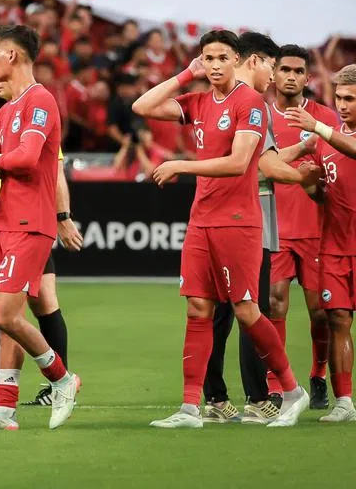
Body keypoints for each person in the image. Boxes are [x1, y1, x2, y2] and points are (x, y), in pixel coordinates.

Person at [132, 28, 309, 429]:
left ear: (237, 61)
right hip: (202, 220)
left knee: (247, 310)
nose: (213, 66)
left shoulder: (251, 102)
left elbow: (238, 162)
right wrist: (183, 75)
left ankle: (291, 390)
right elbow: (142, 106)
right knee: (197, 308)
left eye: (221, 58)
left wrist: (181, 164)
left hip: (238, 222)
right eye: (207, 59)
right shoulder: (198, 101)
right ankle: (191, 407)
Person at [0, 24, 81, 432]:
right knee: (4, 312)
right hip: (5, 224)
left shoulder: (41, 101)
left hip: (31, 224)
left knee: (5, 314)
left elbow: (24, 158)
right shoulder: (7, 111)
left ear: (13, 55)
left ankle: (62, 378)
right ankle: (5, 410)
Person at [200, 33, 323, 425]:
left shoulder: (226, 101)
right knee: (248, 309)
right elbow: (264, 167)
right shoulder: (251, 105)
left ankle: (216, 398)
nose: (275, 75)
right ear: (255, 61)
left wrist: (298, 155)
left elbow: (261, 159)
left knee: (215, 312)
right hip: (247, 224)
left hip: (220, 220)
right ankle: (260, 396)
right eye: (273, 65)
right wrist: (302, 177)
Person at [285, 65, 356, 423]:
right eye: (337, 97)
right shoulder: (324, 141)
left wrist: (317, 128)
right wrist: (304, 181)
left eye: (350, 98)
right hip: (333, 247)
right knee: (337, 320)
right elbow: (323, 194)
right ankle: (344, 402)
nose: (342, 104)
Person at [0, 159, 82, 409]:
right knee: (40, 302)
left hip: (25, 224)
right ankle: (18, 394)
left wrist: (63, 217)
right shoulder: (11, 125)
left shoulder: (38, 125)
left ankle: (54, 380)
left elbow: (55, 172)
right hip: (12, 223)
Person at [266, 44, 338, 410]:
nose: (291, 76)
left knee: (320, 312)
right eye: (285, 70)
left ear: (308, 78)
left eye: (298, 71)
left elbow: (340, 165)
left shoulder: (325, 118)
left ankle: (318, 374)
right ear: (273, 74)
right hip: (274, 229)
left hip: (316, 230)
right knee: (274, 305)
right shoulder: (259, 116)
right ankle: (277, 382)